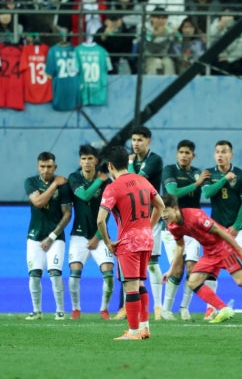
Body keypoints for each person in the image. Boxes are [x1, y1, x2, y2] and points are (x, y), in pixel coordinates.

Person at [161, 193, 242, 324]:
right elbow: (180, 247)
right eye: (161, 211)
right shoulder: (172, 226)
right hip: (209, 251)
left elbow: (219, 230)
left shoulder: (195, 215)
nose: (163, 215)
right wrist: (170, 271)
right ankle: (224, 309)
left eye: (165, 211)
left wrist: (239, 249)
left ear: (175, 208)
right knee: (193, 282)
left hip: (223, 246)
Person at [96, 145, 165, 340]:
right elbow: (160, 205)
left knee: (131, 287)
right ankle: (145, 328)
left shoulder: (112, 188)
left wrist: (108, 242)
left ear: (110, 166)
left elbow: (100, 220)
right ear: (127, 162)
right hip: (147, 239)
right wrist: (148, 227)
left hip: (128, 242)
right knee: (140, 283)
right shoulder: (142, 180)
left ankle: (133, 332)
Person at [201, 140, 242, 321]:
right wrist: (224, 179)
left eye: (224, 152)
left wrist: (237, 226)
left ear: (231, 155)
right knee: (211, 267)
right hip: (216, 229)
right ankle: (210, 307)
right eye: (217, 151)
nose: (220, 155)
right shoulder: (209, 174)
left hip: (239, 228)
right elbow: (207, 193)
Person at [160, 140, 210, 321]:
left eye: (187, 153)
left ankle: (184, 308)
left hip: (193, 228)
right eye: (181, 152)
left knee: (192, 269)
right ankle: (166, 309)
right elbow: (172, 193)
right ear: (176, 154)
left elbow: (208, 191)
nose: (183, 155)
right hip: (172, 228)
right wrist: (196, 184)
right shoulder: (169, 170)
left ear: (193, 156)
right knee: (177, 269)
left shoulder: (198, 173)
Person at [24, 151, 72, 320]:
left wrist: (52, 236)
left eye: (49, 166)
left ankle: (60, 311)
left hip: (56, 237)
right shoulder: (30, 182)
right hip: (34, 236)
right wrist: (54, 185)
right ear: (38, 166)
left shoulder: (64, 186)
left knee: (55, 274)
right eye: (42, 166)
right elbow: (38, 202)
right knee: (34, 275)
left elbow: (67, 214)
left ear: (55, 167)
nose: (46, 170)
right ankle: (37, 311)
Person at [67, 145, 114, 320]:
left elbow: (107, 213)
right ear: (80, 161)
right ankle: (76, 309)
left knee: (108, 275)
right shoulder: (74, 178)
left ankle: (104, 310)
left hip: (100, 236)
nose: (86, 162)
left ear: (96, 161)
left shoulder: (108, 183)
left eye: (90, 158)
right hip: (79, 235)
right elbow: (85, 196)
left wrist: (97, 236)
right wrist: (99, 181)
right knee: (74, 274)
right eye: (83, 158)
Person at [123, 126, 164, 321]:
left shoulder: (155, 160)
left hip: (150, 218)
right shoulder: (132, 160)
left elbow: (135, 181)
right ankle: (128, 307)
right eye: (133, 140)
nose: (136, 143)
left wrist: (130, 162)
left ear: (148, 141)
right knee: (129, 265)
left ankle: (158, 306)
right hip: (132, 219)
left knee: (152, 264)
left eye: (140, 140)